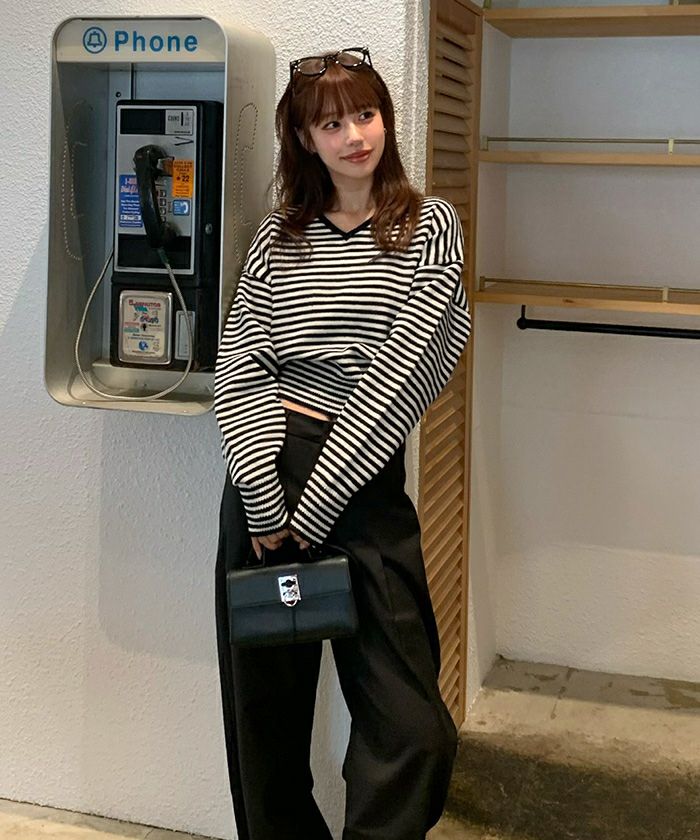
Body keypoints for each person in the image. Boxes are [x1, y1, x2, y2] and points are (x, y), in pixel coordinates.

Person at [213, 46, 472, 840]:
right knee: (265, 723)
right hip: (265, 480)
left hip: (360, 489)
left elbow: (401, 375)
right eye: (331, 124)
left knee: (412, 726)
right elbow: (240, 366)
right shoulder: (277, 236)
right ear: (304, 139)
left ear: (385, 119)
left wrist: (316, 505)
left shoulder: (427, 225)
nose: (355, 136)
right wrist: (266, 502)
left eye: (365, 114)